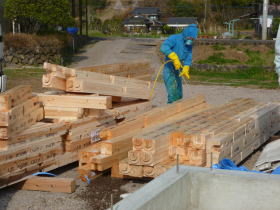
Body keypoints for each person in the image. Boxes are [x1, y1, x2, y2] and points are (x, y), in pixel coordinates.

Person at [160, 24, 198, 104]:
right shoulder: (174, 38)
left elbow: (189, 55)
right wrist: (173, 56)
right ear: (186, 34)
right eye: (189, 38)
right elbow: (164, 47)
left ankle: (179, 110)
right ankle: (171, 111)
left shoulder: (189, 44)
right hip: (169, 68)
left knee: (179, 93)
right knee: (172, 93)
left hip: (178, 68)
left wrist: (186, 67)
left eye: (192, 39)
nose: (190, 40)